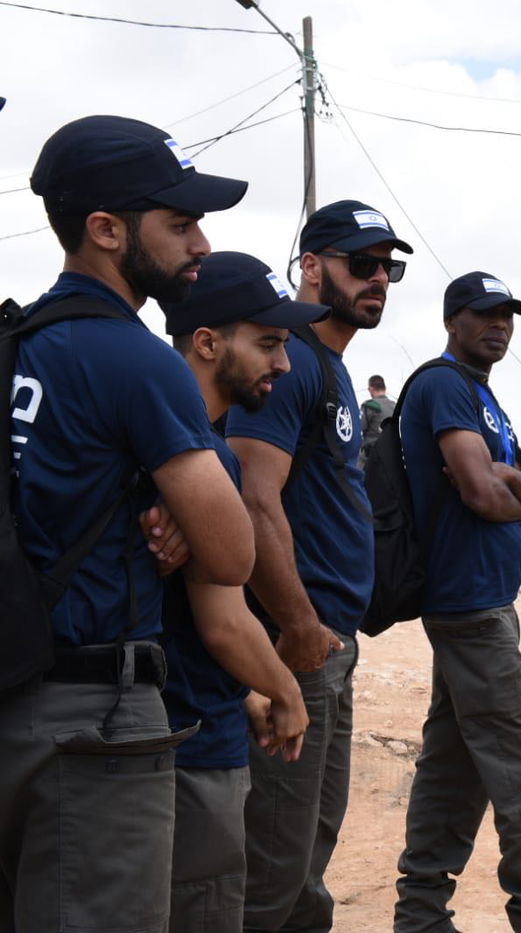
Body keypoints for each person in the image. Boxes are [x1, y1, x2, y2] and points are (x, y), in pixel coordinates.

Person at [3, 114, 254, 931]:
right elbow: (231, 551)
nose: (202, 243)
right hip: (95, 727)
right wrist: (176, 492)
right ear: (106, 231)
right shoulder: (136, 357)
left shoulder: (17, 345)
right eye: (179, 223)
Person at [224, 200, 412, 932]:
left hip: (328, 644)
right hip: (292, 645)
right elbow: (251, 494)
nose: (378, 281)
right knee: (273, 867)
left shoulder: (327, 365)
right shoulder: (293, 360)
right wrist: (299, 624)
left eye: (387, 268)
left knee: (307, 859)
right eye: (360, 264)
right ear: (310, 266)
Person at [393, 271, 521, 932]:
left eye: (507, 316)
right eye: (484, 314)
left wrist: (515, 481)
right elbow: (479, 491)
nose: (499, 325)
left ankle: (420, 914)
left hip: (487, 603)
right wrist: (510, 491)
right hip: (469, 608)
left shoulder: (482, 398)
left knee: (454, 763)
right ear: (452, 321)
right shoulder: (442, 385)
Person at [159, 251, 326, 932]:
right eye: (267, 344)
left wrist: (247, 688)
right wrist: (286, 692)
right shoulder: (201, 455)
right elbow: (222, 617)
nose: (282, 366)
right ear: (206, 342)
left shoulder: (160, 441)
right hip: (189, 745)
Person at [359, 374, 396, 467]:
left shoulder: (369, 406)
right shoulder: (395, 406)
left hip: (370, 457)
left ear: (370, 389)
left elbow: (359, 430)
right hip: (390, 456)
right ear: (385, 388)